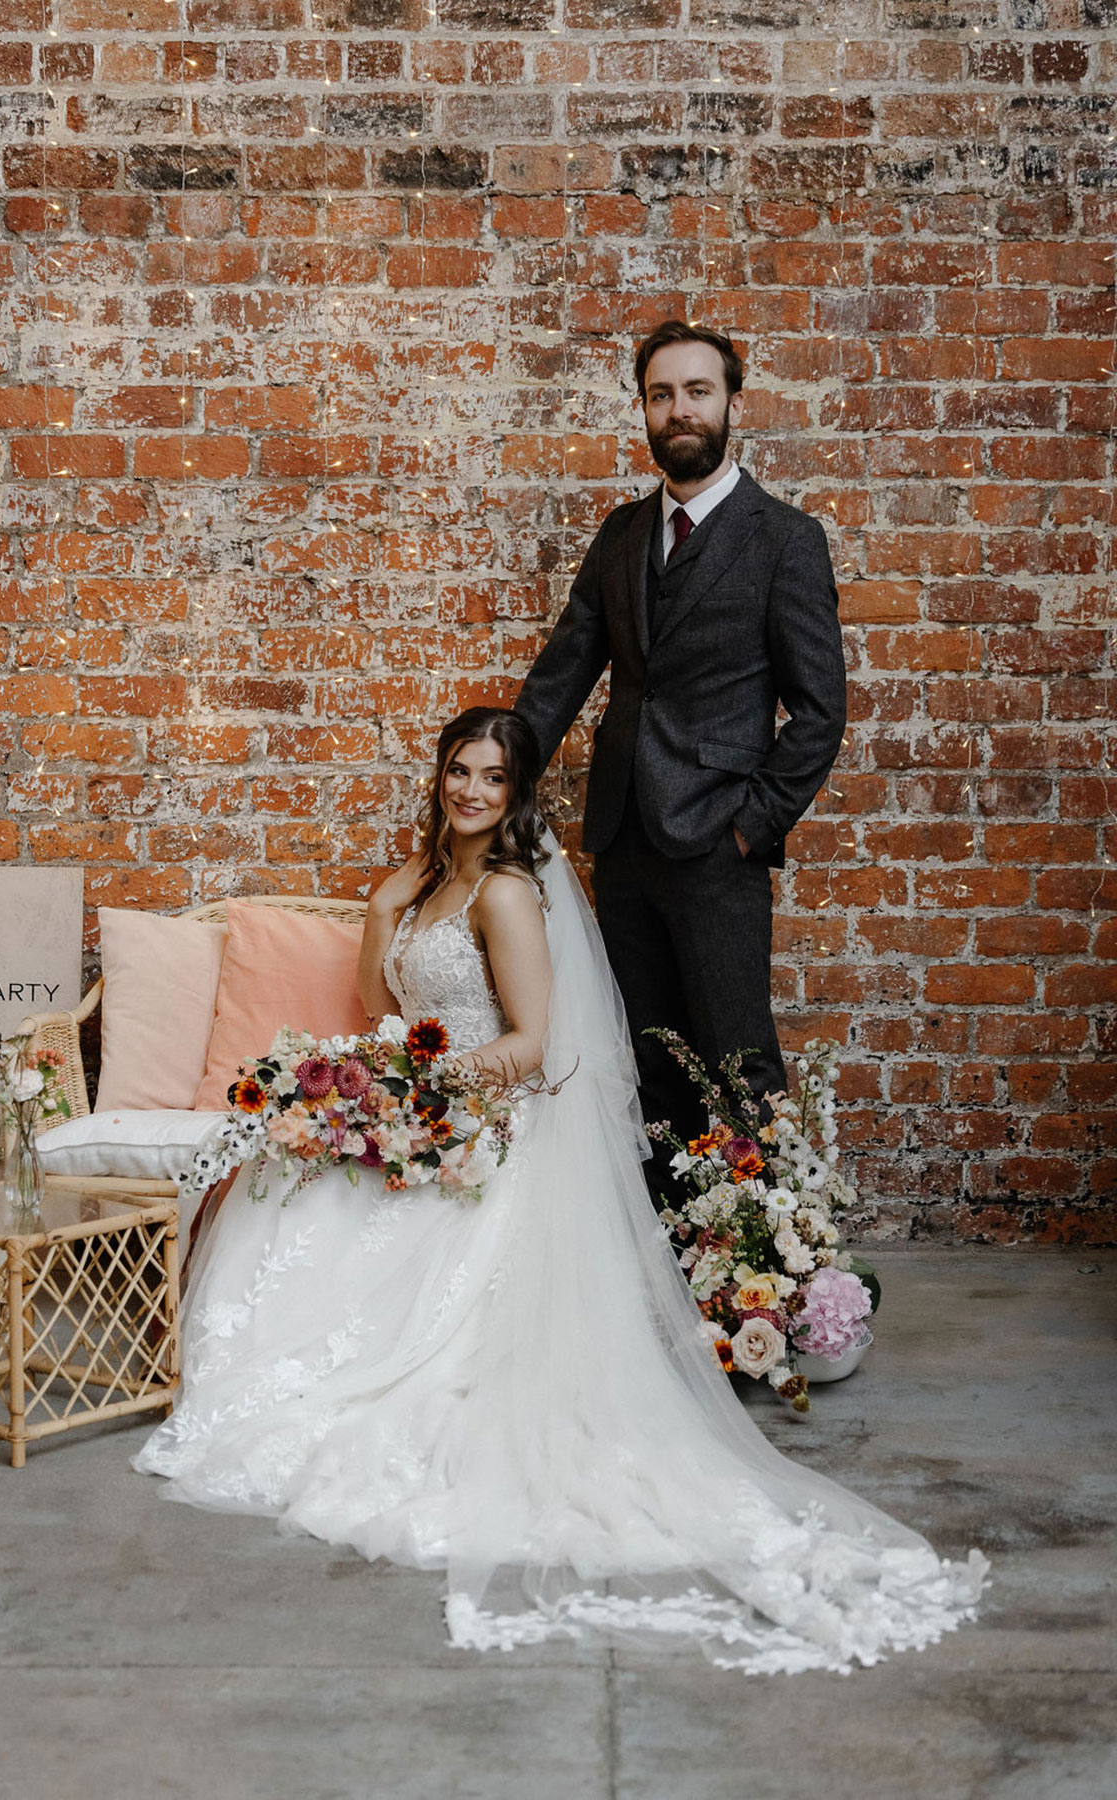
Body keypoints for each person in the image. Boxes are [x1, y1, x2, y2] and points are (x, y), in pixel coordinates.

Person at [135, 707, 985, 1673]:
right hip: (431, 1102)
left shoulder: (502, 894)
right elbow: (381, 1009)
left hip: (491, 1114)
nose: (471, 791)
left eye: (493, 778)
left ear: (517, 793)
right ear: (441, 777)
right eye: (460, 771)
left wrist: (428, 1092)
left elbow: (533, 1048)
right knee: (301, 1190)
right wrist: (380, 918)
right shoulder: (426, 889)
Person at [515, 319, 847, 1202]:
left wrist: (750, 828)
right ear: (645, 410)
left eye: (698, 391)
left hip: (716, 850)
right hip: (623, 844)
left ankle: (772, 1290)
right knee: (652, 1076)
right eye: (662, 394)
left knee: (741, 1071)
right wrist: (494, 775)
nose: (680, 410)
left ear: (734, 403)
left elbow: (820, 712)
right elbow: (561, 676)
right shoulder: (622, 535)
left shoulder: (785, 540)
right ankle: (672, 1275)